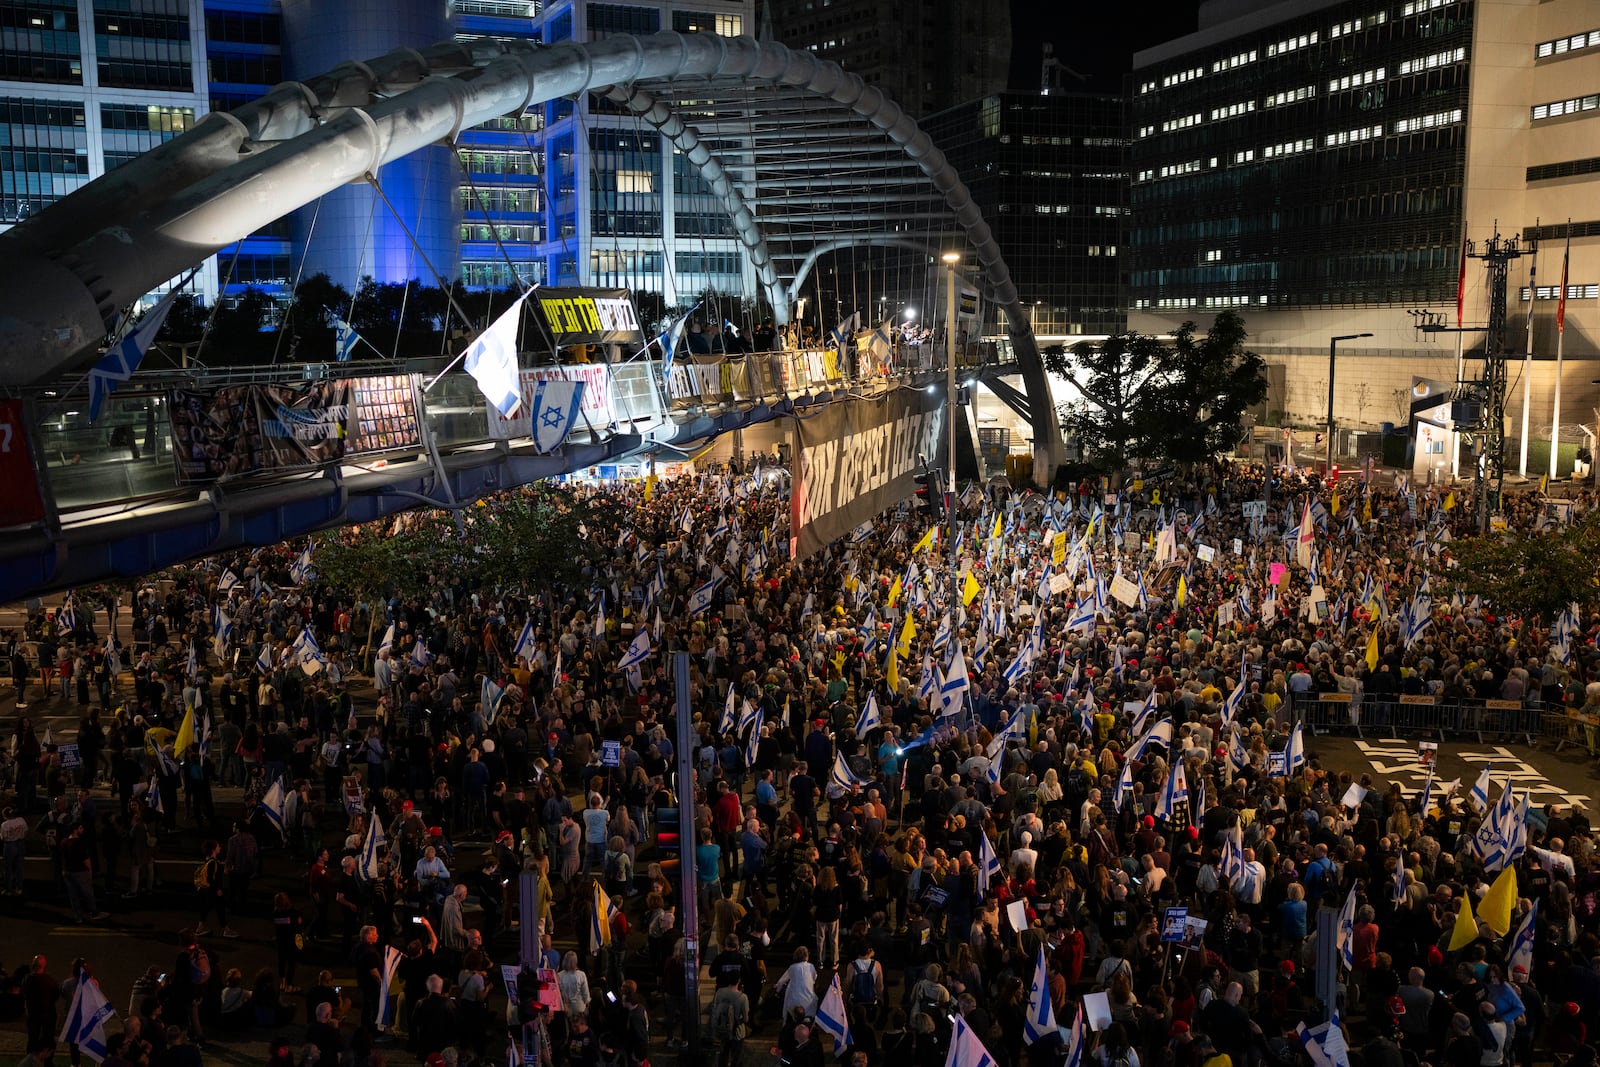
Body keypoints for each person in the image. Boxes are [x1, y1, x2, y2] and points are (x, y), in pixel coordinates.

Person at [710, 975, 749, 1067]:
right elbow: (746, 1019)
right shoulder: (743, 997)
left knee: (723, 1055)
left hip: (723, 1030)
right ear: (739, 981)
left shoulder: (719, 992)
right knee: (736, 1058)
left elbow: (714, 1010)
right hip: (737, 1032)